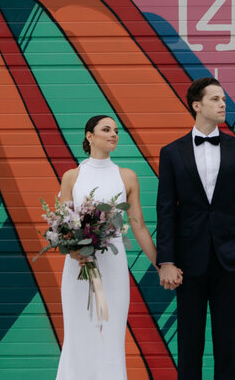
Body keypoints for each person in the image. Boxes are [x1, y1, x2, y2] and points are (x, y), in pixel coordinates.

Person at [156, 77, 235, 380]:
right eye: (215, 99)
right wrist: (167, 259)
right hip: (188, 260)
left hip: (230, 257)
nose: (223, 104)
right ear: (196, 105)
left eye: (224, 99)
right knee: (190, 340)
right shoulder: (171, 152)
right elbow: (165, 210)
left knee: (227, 340)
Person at [55, 115, 160, 380]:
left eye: (116, 130)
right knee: (78, 335)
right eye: (106, 129)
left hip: (113, 266)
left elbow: (138, 226)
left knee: (110, 335)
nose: (114, 134)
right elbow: (62, 226)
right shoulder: (71, 177)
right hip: (78, 268)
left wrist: (161, 264)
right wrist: (73, 248)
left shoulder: (127, 177)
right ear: (89, 136)